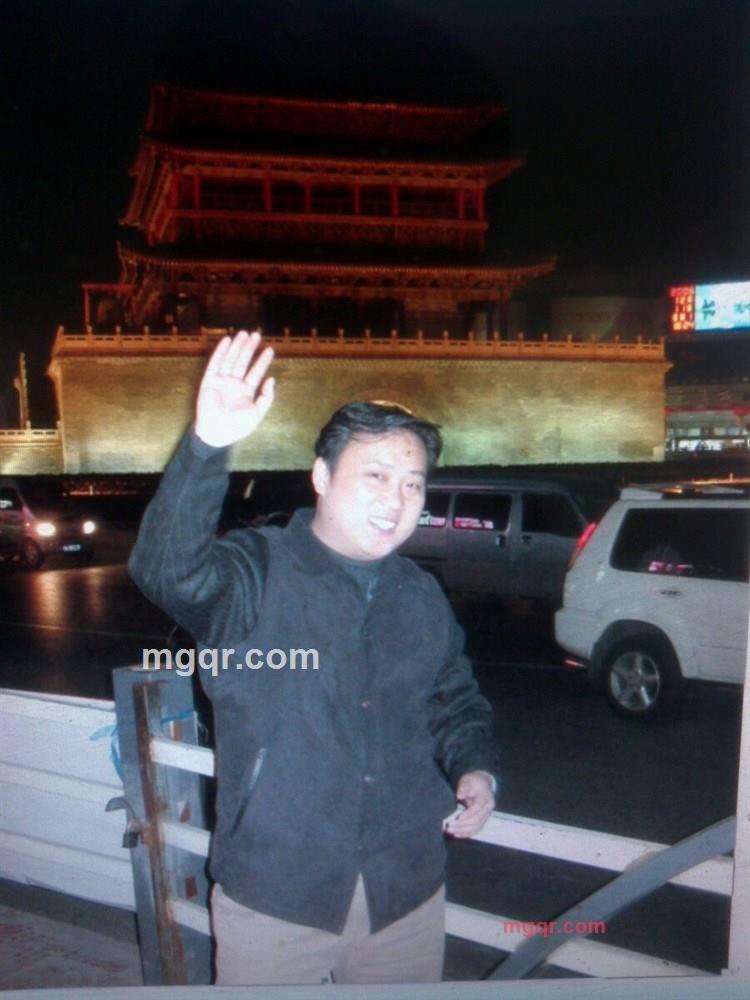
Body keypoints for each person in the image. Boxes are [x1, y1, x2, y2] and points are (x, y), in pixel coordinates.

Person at [129, 329, 498, 985]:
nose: (396, 500)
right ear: (322, 477)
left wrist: (476, 767)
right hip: (275, 898)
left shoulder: (421, 596)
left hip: (405, 895)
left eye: (413, 484)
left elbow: (454, 698)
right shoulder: (255, 572)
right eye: (376, 476)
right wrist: (207, 445)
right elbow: (165, 571)